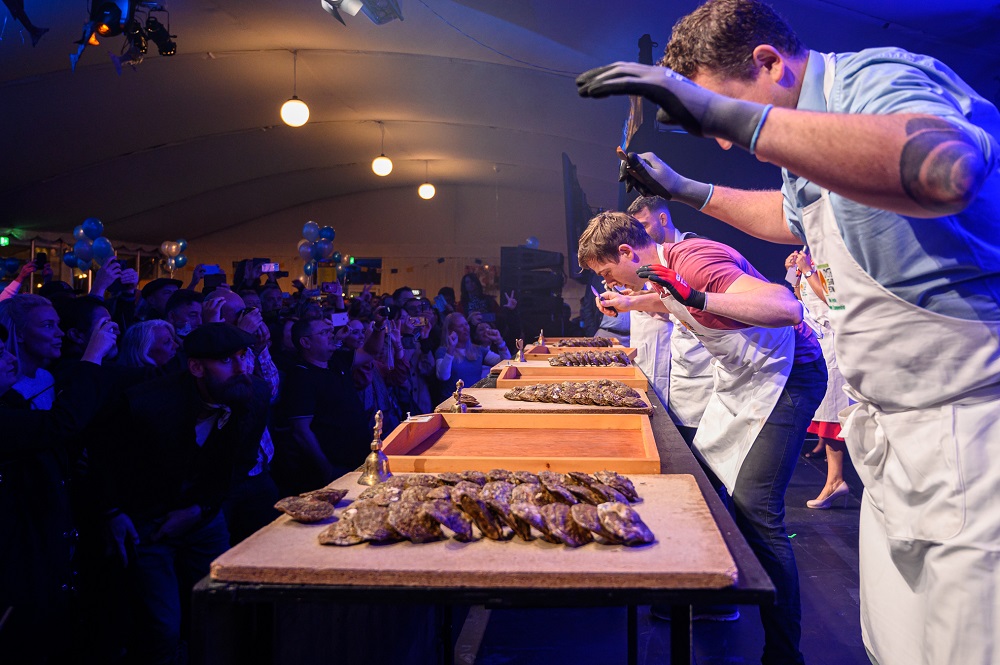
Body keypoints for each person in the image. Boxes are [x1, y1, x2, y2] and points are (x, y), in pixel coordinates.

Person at [577, 1, 1000, 662]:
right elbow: (794, 217)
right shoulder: (808, 150)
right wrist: (687, 187)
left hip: (975, 435)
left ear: (768, 63)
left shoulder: (872, 79)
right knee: (897, 645)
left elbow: (948, 168)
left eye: (715, 111)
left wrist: (733, 121)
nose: (723, 137)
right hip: (897, 440)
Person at [578, 212, 825, 665]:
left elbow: (787, 307)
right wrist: (628, 304)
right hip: (745, 379)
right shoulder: (663, 273)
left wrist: (696, 293)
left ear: (628, 253)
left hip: (788, 376)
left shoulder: (694, 261)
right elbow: (666, 301)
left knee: (756, 510)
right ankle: (709, 594)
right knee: (701, 484)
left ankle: (785, 653)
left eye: (609, 274)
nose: (612, 282)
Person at [93, 323, 269, 665]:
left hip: (203, 513)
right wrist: (112, 513)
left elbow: (238, 465)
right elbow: (101, 459)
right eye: (226, 360)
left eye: (242, 356)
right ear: (196, 367)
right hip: (148, 518)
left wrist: (200, 510)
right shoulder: (147, 404)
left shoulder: (253, 394)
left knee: (219, 607)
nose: (241, 368)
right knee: (163, 626)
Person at [0, 319, 119, 663]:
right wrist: (91, 357)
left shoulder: (12, 401)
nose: (10, 359)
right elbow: (60, 425)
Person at [786, 248, 853, 508]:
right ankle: (835, 480)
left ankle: (836, 481)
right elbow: (801, 297)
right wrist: (796, 272)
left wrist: (809, 271)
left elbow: (831, 299)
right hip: (818, 341)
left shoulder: (831, 259)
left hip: (836, 343)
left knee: (835, 418)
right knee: (828, 416)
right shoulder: (809, 259)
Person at [279, 317, 370, 491]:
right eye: (324, 333)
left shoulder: (336, 362)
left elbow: (370, 352)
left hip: (357, 458)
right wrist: (326, 468)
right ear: (305, 342)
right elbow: (301, 430)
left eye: (330, 331)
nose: (331, 335)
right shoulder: (301, 377)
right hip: (335, 466)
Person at [435, 312, 508, 401]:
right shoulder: (443, 351)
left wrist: (500, 342)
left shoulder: (477, 350)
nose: (466, 328)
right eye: (461, 326)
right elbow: (443, 376)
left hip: (475, 401)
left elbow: (506, 364)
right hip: (452, 403)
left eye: (466, 324)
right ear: (451, 331)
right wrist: (451, 349)